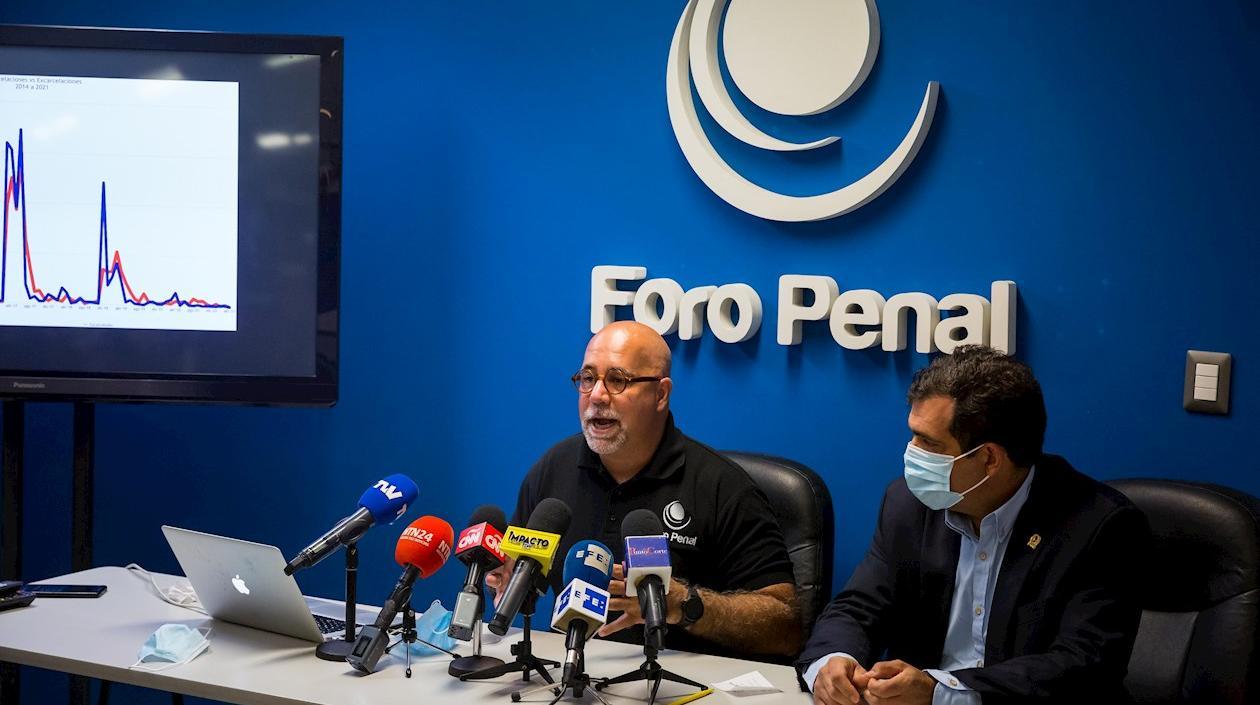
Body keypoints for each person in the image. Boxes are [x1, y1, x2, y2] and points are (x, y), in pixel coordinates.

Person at [800, 345, 1148, 704]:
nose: (912, 453)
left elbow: (1083, 665)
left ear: (989, 459)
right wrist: (833, 661)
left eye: (929, 443)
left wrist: (941, 693)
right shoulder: (908, 503)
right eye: (913, 435)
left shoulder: (1099, 527)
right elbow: (858, 606)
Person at [487, 321, 801, 659]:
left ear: (661, 394)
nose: (596, 395)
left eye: (618, 380)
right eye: (588, 378)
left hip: (681, 687)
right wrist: (511, 579)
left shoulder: (723, 487)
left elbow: (786, 626)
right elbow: (524, 565)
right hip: (571, 675)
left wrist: (685, 604)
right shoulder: (552, 469)